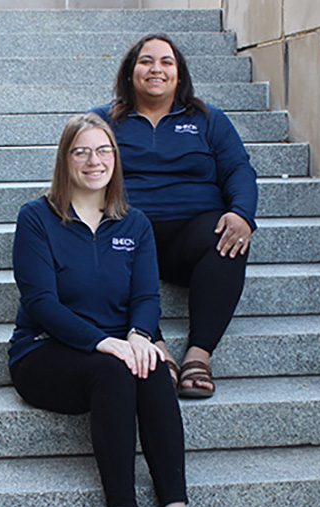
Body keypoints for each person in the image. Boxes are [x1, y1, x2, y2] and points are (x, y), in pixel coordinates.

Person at [9, 113, 206, 507]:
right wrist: (106, 344)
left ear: (116, 160)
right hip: (45, 351)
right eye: (81, 151)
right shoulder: (36, 218)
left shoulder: (134, 224)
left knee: (153, 365)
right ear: (65, 160)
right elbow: (40, 303)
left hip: (115, 349)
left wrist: (138, 336)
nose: (93, 161)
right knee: (118, 369)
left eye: (104, 151)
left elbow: (145, 297)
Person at [92, 34, 258, 399]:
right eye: (146, 61)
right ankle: (156, 346)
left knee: (227, 238)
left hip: (192, 233)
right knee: (101, 240)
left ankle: (199, 354)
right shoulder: (104, 121)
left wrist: (242, 214)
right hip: (130, 233)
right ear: (130, 71)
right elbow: (82, 173)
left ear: (179, 75)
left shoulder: (208, 120)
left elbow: (238, 170)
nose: (156, 69)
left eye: (167, 62)